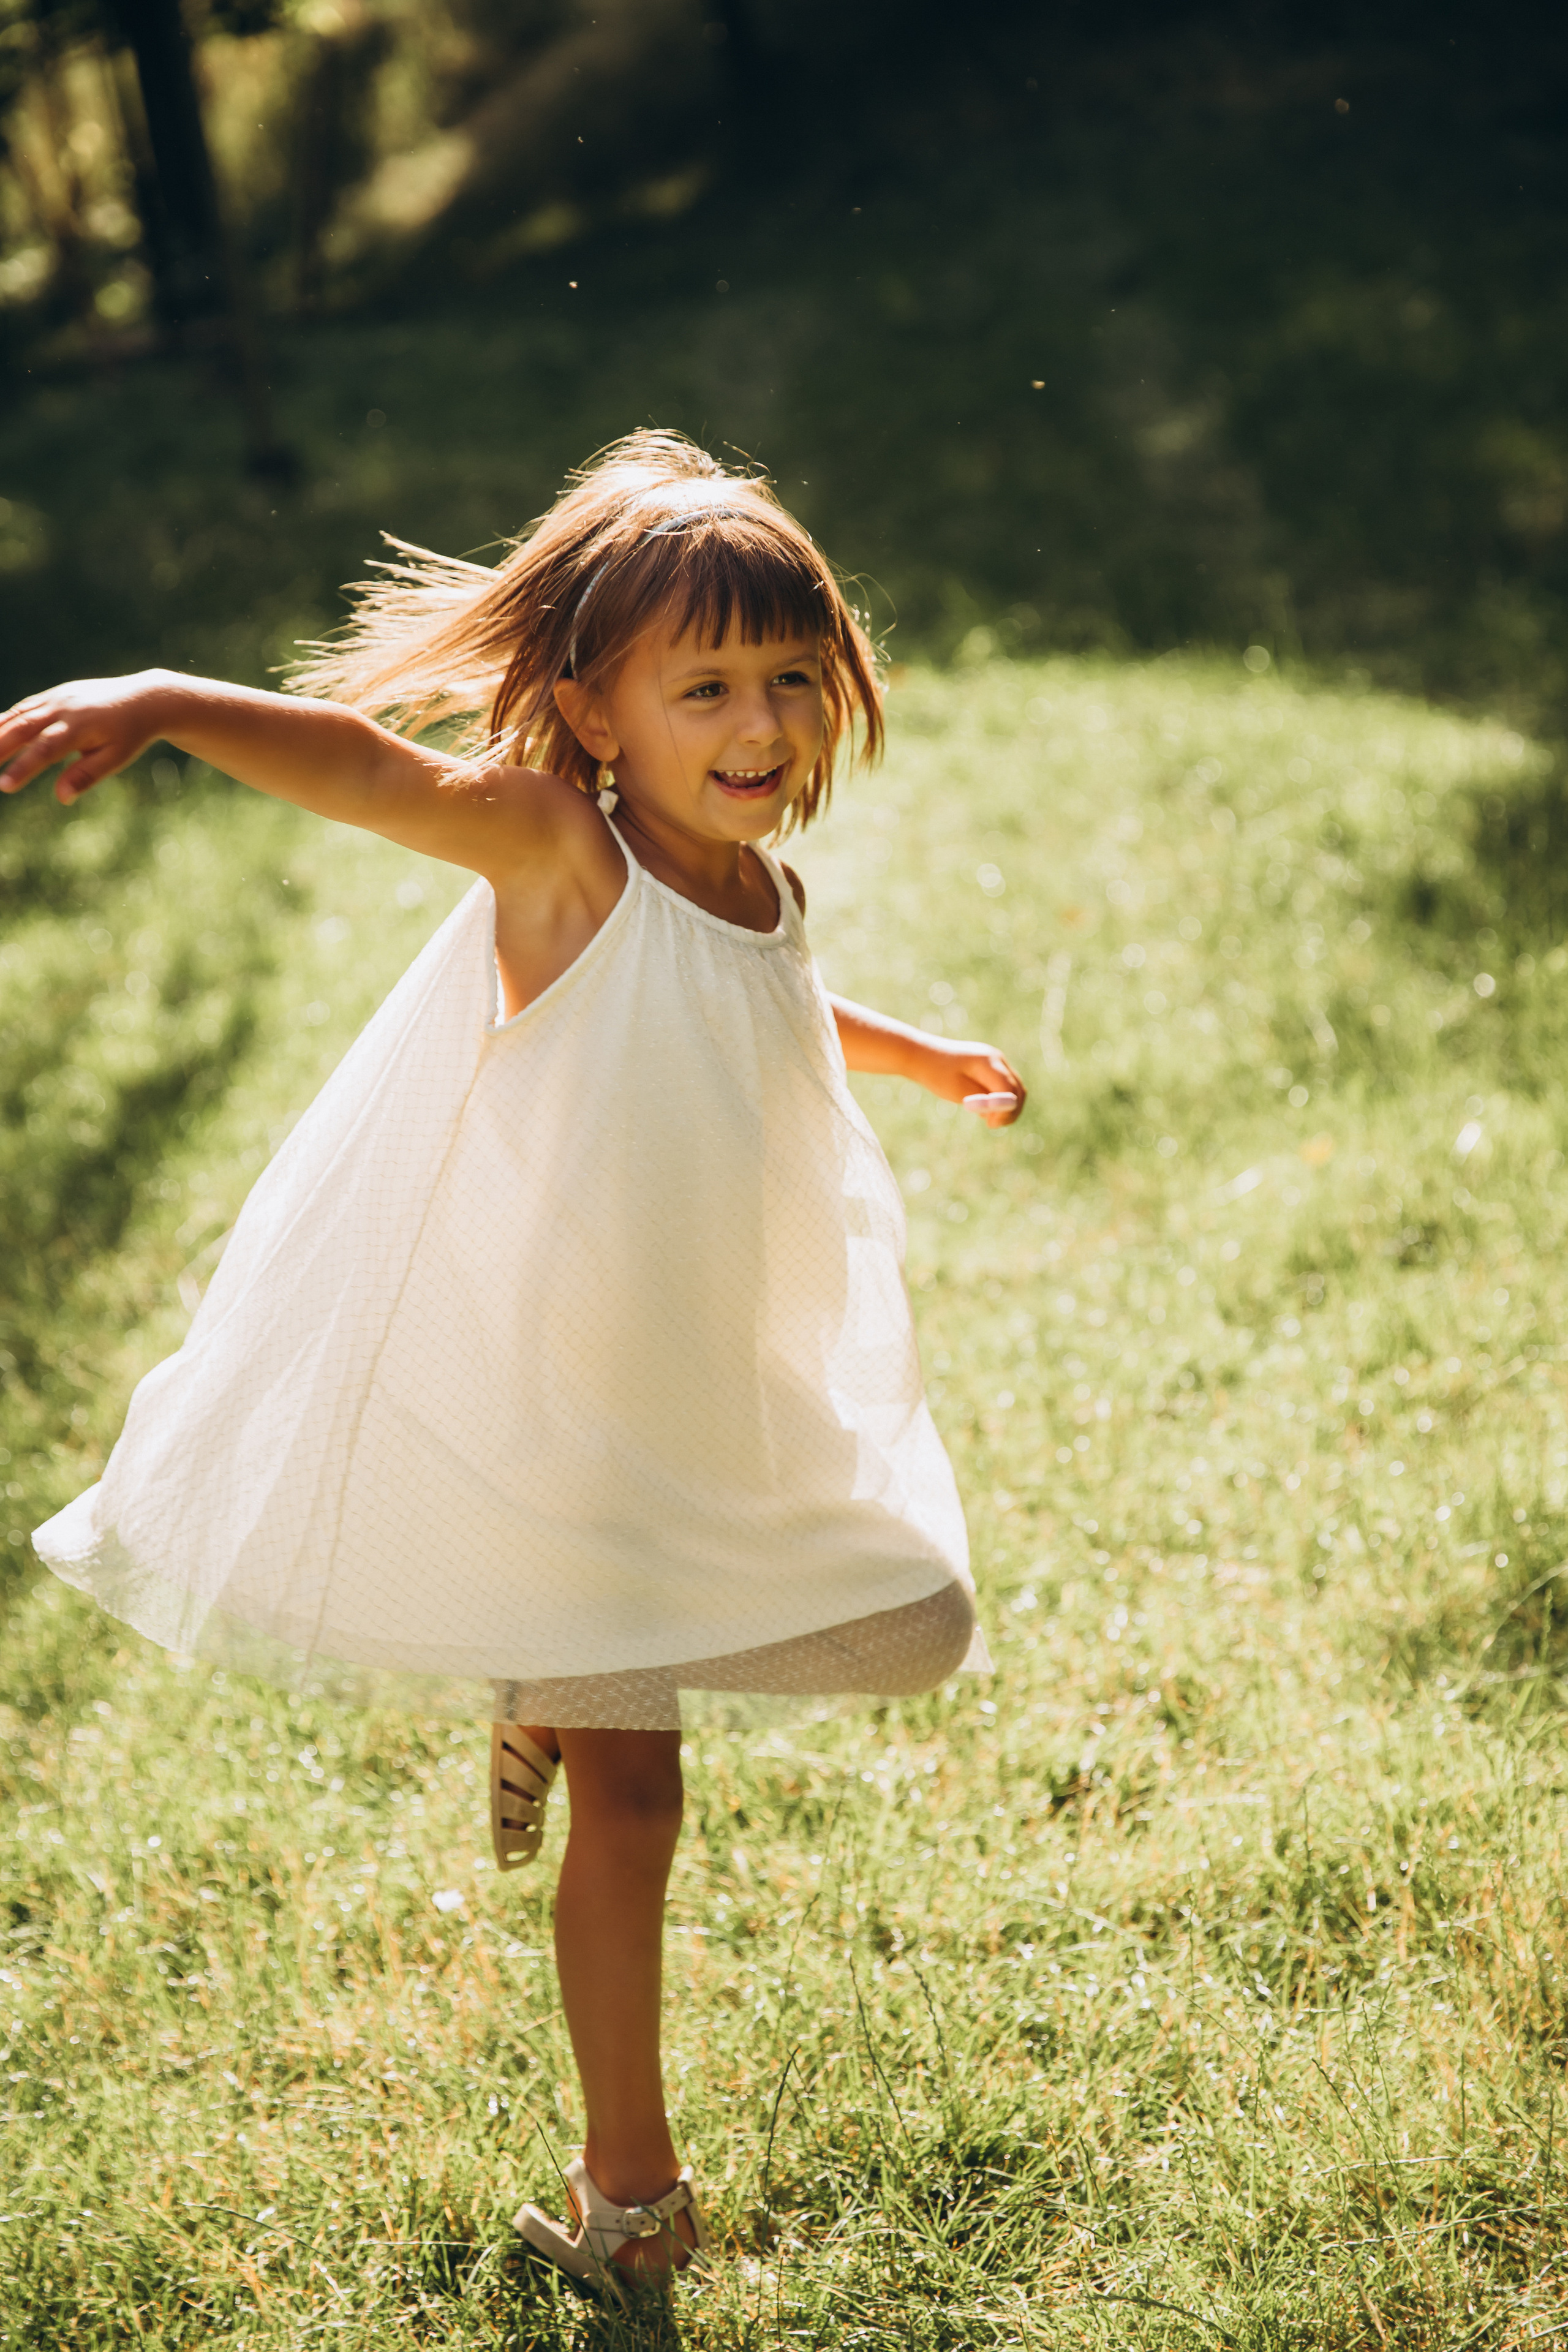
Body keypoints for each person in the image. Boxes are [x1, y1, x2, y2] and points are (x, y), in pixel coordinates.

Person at [0, 431, 1024, 2303]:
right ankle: (629, 2196)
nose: (763, 718)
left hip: (712, 1386)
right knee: (645, 1807)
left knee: (918, 1608)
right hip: (568, 1425)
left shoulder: (759, 895)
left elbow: (781, 1007)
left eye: (793, 677)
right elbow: (374, 771)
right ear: (593, 710)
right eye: (704, 684)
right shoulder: (563, 858)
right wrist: (165, 701)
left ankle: (538, 1686)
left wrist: (925, 1055)